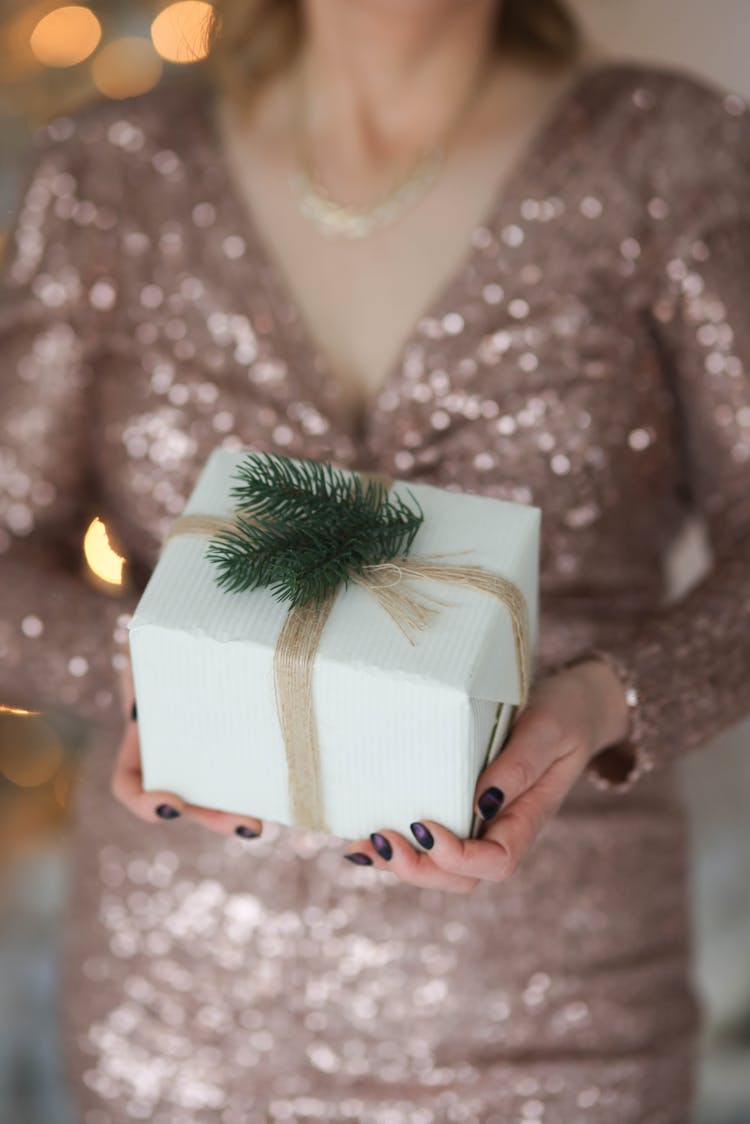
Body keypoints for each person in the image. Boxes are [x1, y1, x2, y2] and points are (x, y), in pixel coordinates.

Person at [1, 0, 749, 1119]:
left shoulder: (666, 154)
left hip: (551, 1009)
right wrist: (144, 661)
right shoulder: (112, 173)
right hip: (182, 1011)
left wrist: (610, 700)